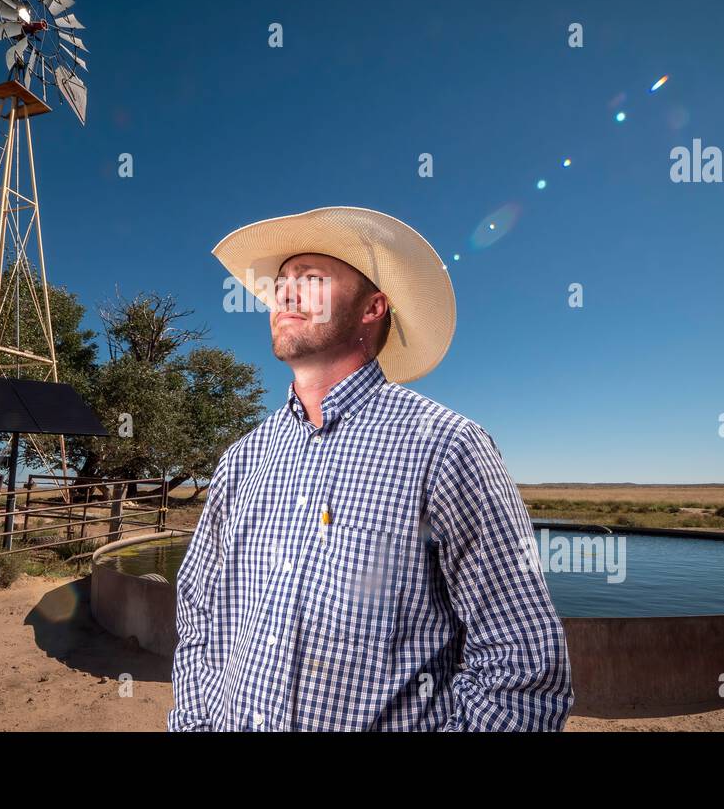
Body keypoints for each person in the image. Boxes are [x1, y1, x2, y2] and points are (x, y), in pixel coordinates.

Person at [167, 206, 573, 731]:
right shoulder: (243, 458)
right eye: (280, 282)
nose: (282, 294)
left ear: (372, 307)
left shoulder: (448, 447)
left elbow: (522, 666)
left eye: (309, 280)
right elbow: (202, 613)